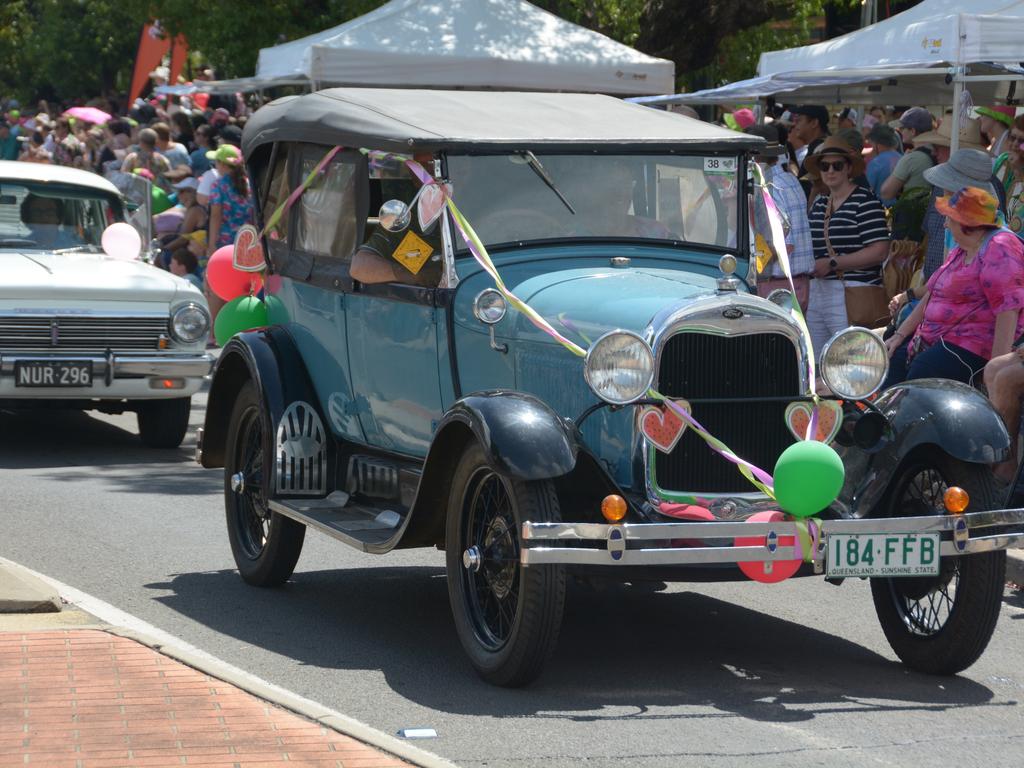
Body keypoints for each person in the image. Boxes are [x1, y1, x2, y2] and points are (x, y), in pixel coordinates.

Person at [884, 187, 1024, 388]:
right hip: (935, 338)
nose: (945, 224)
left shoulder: (1000, 248)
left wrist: (993, 373)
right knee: (891, 362)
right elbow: (932, 294)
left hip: (972, 345)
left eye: (950, 218)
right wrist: (899, 336)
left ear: (966, 224)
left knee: (923, 372)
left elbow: (1008, 310)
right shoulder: (962, 249)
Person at [804, 137, 891, 357]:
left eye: (837, 165)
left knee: (848, 360)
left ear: (849, 168)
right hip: (819, 289)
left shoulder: (865, 201)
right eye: (824, 166)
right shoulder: (821, 202)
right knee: (815, 360)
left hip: (852, 290)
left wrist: (833, 263)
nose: (830, 171)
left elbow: (880, 250)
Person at [745, 124, 814, 311]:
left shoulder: (767, 184)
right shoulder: (789, 179)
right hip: (795, 283)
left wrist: (749, 265)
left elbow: (782, 241)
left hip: (776, 286)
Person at [351, 153, 444, 287]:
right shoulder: (407, 211)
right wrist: (411, 275)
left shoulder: (481, 211)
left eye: (432, 165)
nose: (424, 172)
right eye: (418, 166)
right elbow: (359, 266)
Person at [880, 107, 935, 202]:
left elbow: (886, 193)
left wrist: (899, 165)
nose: (900, 131)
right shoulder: (937, 152)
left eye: (902, 128)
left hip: (914, 213)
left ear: (913, 131)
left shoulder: (911, 158)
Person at [992, 114, 1024, 238]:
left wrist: (1019, 171)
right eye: (1013, 137)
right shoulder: (1002, 160)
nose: (1015, 144)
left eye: (1022, 141)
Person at [789, 104, 830, 180]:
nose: (795, 124)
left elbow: (812, 186)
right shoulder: (816, 146)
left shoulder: (822, 149)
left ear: (814, 123)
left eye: (799, 120)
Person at [864, 124, 902, 206]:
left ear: (877, 144)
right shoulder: (902, 158)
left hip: (880, 208)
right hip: (900, 207)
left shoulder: (875, 163)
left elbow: (868, 190)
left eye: (872, 143)